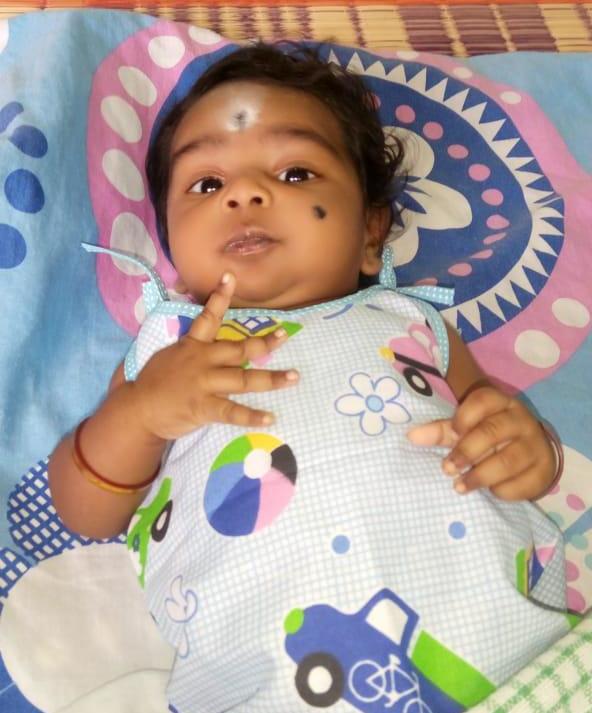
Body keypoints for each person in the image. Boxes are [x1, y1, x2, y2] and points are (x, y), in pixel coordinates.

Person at [48, 44, 567, 712]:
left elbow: (496, 426)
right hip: (278, 669)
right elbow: (84, 511)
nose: (244, 193)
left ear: (371, 234)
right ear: (171, 240)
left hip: (509, 645)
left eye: (295, 172)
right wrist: (141, 414)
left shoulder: (409, 320)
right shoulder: (169, 348)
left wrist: (532, 452)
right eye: (206, 184)